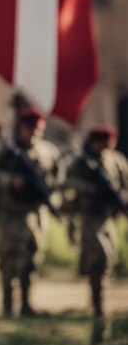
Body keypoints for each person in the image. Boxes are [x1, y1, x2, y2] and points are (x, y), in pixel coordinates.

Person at [0, 108, 61, 317]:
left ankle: (27, 304)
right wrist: (10, 181)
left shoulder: (47, 151)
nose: (34, 133)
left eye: (38, 129)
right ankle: (8, 306)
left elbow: (57, 178)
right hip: (12, 214)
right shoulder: (7, 149)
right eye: (30, 128)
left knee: (33, 258)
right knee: (10, 259)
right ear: (22, 127)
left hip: (37, 214)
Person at [62, 126, 128, 319]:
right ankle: (97, 302)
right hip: (90, 215)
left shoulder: (117, 161)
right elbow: (66, 181)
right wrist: (87, 188)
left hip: (109, 216)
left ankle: (99, 301)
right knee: (100, 254)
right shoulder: (82, 161)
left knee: (109, 258)